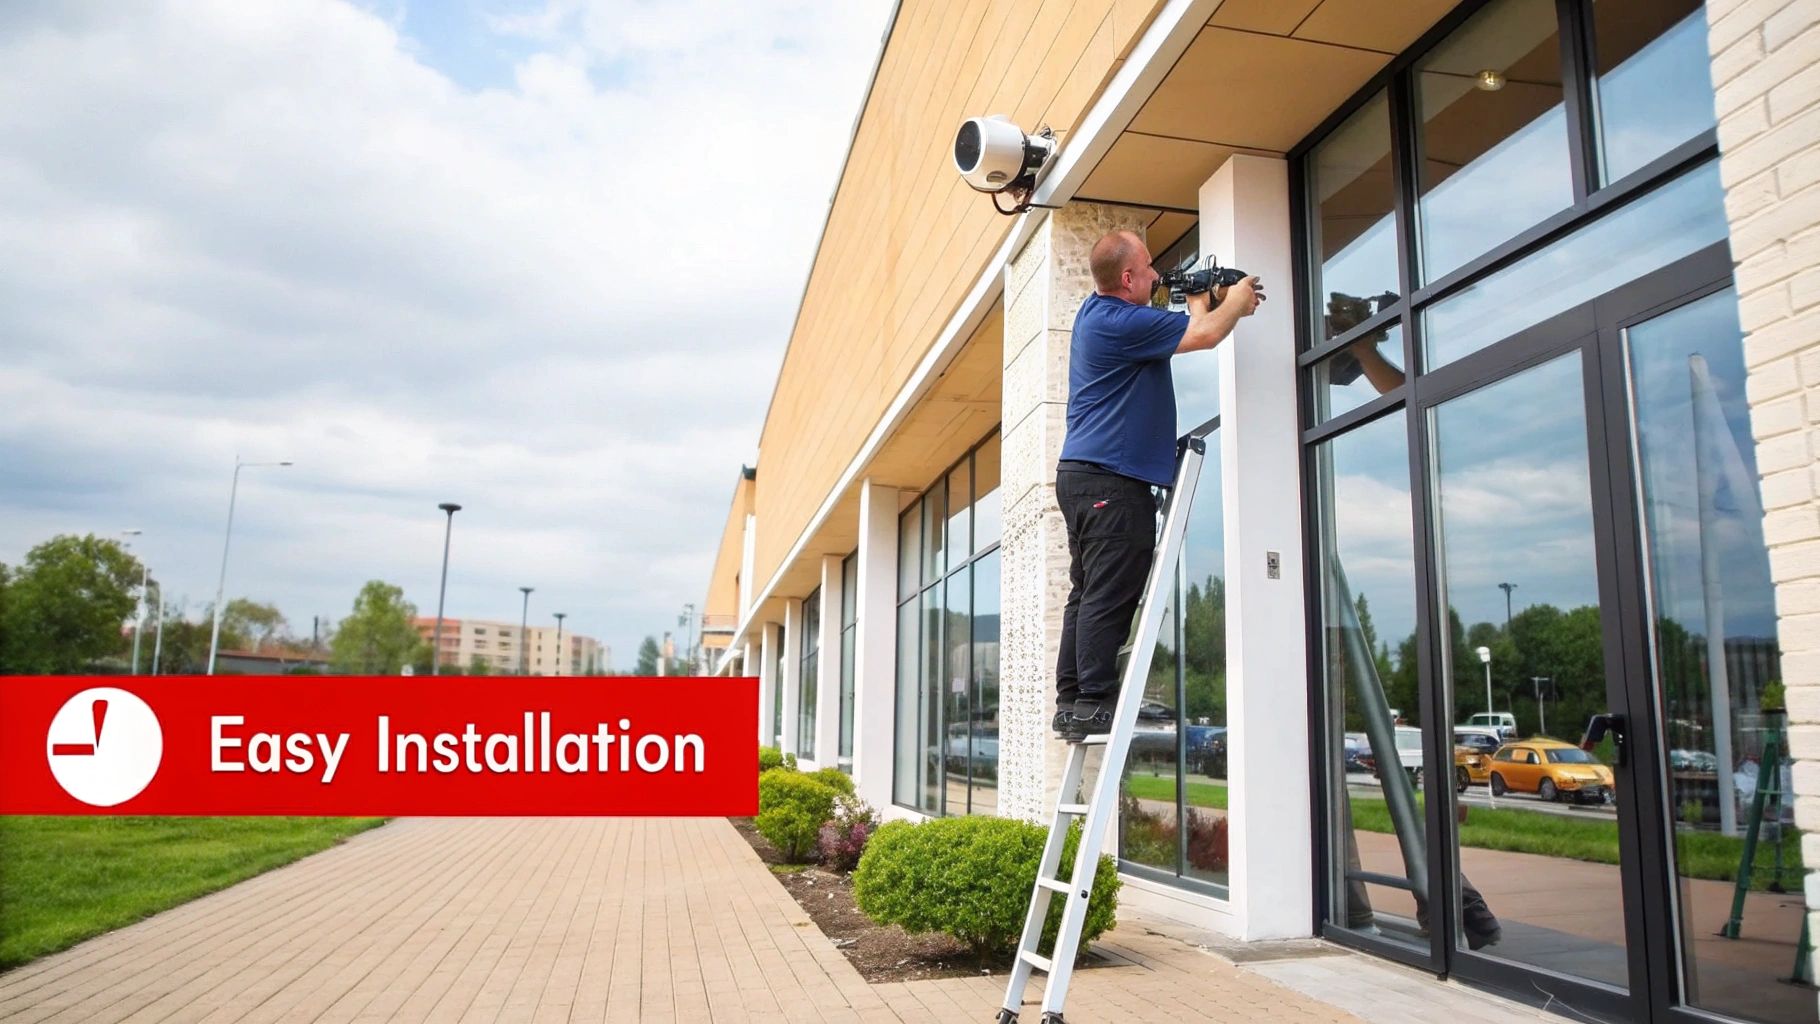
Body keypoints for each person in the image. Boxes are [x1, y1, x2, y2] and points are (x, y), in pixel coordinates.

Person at [1052, 230, 1261, 741]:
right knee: (1108, 592)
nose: (1155, 276)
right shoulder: (1121, 323)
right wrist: (1235, 301)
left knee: (1086, 592)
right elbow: (1206, 336)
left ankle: (1072, 700)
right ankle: (1095, 702)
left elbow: (1186, 323)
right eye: (1148, 269)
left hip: (1083, 476)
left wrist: (1196, 298)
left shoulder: (1094, 313)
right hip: (1111, 481)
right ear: (1127, 279)